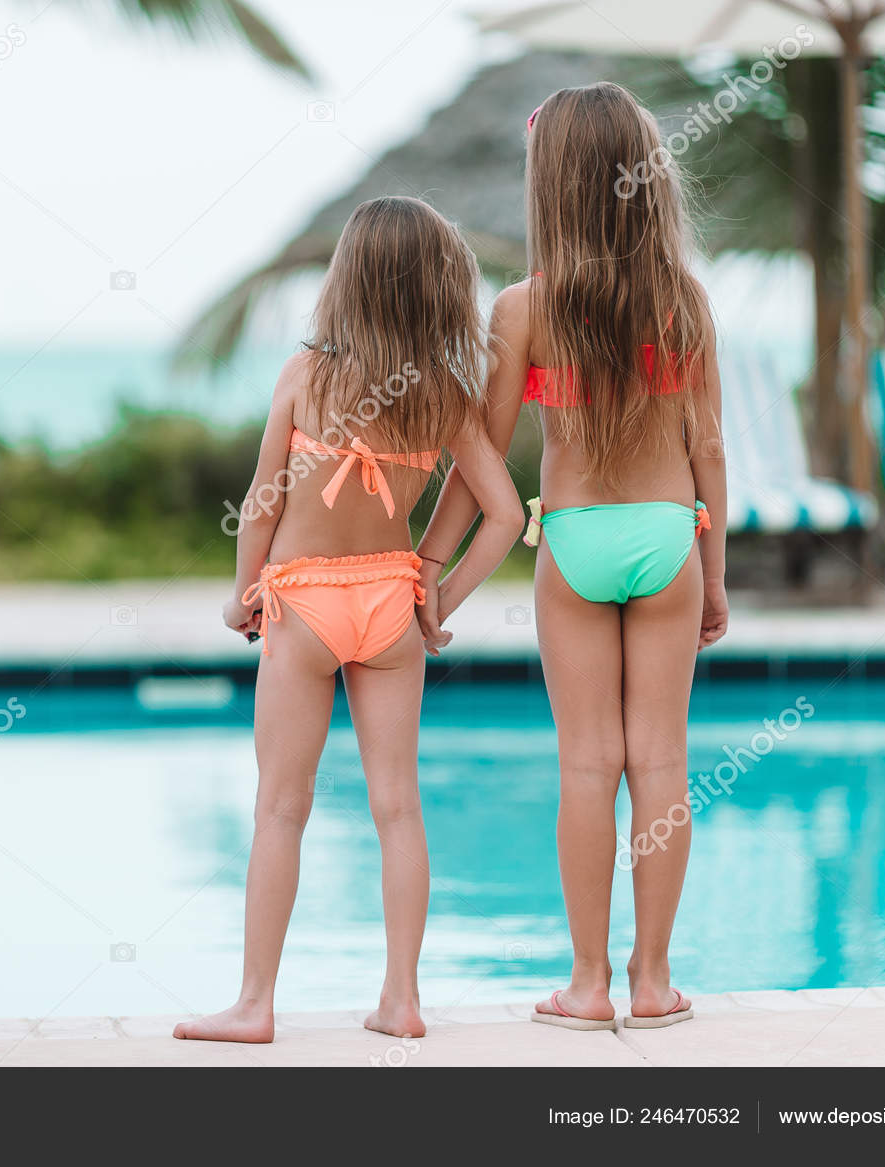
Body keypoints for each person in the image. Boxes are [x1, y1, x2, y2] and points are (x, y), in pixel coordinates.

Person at [174, 196, 523, 1043]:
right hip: (391, 608)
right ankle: (401, 1000)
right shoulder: (443, 393)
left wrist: (241, 593)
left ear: (346, 280)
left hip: (304, 606)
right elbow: (508, 515)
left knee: (280, 809)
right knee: (398, 808)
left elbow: (261, 502)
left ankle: (255, 1004)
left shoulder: (305, 375)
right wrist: (438, 600)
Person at [418, 84, 729, 1031]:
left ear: (551, 187)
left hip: (577, 538)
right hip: (670, 536)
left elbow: (479, 460)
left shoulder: (524, 309)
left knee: (588, 765)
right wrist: (716, 577)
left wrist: (429, 567)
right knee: (661, 760)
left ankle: (588, 985)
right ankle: (654, 981)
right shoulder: (684, 302)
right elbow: (711, 450)